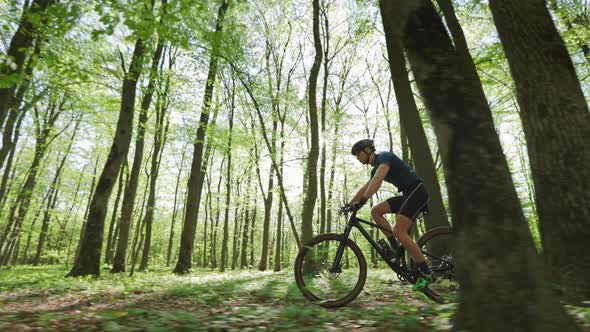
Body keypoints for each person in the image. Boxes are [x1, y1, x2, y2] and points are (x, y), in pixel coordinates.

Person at [347, 138, 433, 290]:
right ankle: (395, 247)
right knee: (376, 211)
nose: (357, 158)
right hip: (408, 194)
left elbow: (378, 179)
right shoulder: (375, 168)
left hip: (417, 191)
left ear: (367, 151)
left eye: (358, 154)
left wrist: (363, 200)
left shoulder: (384, 157)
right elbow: (365, 187)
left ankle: (427, 273)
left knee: (399, 230)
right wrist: (350, 203)